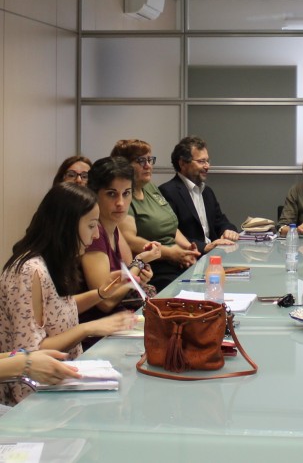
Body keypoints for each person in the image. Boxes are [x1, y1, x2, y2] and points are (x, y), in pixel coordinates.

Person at [0, 183, 136, 405]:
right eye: (91, 226)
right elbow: (30, 353)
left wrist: (101, 293)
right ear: (67, 226)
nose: (94, 236)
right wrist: (88, 328)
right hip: (31, 399)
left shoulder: (51, 261)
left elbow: (60, 307)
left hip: (60, 383)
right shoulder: (29, 270)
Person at [81, 157, 162, 349]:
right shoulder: (95, 233)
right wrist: (139, 264)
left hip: (119, 325)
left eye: (126, 194)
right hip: (96, 338)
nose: (120, 203)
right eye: (111, 194)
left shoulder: (113, 226)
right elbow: (106, 300)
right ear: (94, 194)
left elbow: (129, 272)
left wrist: (141, 272)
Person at [111, 139, 200, 291]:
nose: (148, 165)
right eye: (140, 161)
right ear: (123, 165)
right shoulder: (123, 197)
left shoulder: (150, 188)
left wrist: (187, 250)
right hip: (152, 268)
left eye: (150, 160)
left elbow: (171, 226)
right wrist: (170, 253)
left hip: (175, 260)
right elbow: (130, 241)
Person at [159, 136, 240, 255]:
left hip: (213, 255)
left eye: (208, 161)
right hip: (189, 257)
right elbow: (170, 235)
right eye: (201, 161)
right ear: (182, 163)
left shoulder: (207, 192)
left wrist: (228, 230)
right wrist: (204, 247)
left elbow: (220, 221)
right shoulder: (167, 192)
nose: (207, 166)